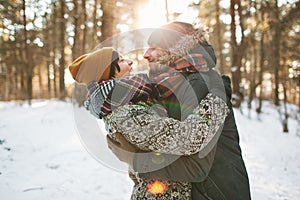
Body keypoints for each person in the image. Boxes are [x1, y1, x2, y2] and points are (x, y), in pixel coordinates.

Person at [107, 21, 251, 199]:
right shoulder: (172, 86)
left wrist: (136, 160)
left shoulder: (200, 85)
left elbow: (197, 166)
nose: (146, 54)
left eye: (154, 48)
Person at [68, 47, 229, 199]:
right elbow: (189, 138)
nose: (130, 62)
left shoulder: (128, 103)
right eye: (121, 61)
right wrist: (218, 97)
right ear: (107, 73)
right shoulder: (127, 115)